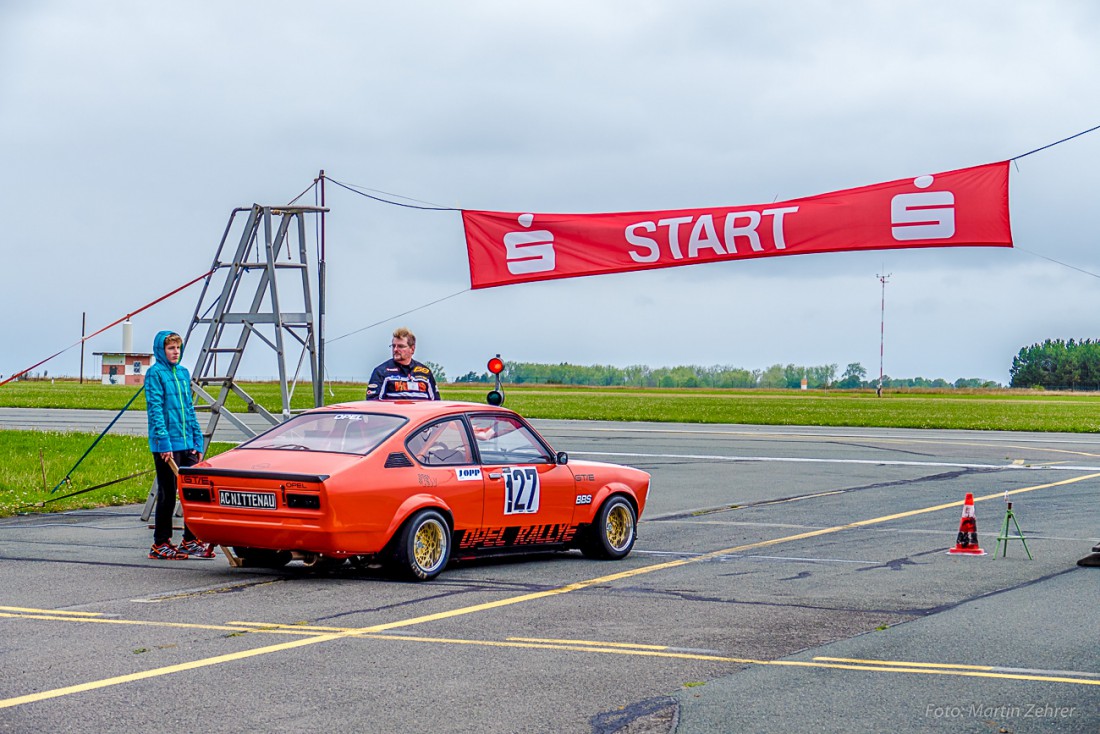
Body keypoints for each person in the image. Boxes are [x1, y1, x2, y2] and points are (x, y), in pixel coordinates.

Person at [145, 330, 215, 560]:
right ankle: (161, 543)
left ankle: (190, 540)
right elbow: (155, 410)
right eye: (170, 348)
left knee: (192, 492)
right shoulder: (155, 374)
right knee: (168, 493)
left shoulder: (183, 374)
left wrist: (196, 440)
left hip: (187, 443)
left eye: (177, 348)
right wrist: (164, 443)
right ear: (161, 351)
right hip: (167, 445)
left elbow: (188, 408)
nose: (175, 352)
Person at [365, 327, 440, 400]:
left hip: (421, 412)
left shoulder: (425, 372)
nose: (395, 349)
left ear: (412, 349)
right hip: (394, 412)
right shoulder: (381, 371)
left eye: (400, 346)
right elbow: (372, 404)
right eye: (393, 346)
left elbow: (436, 404)